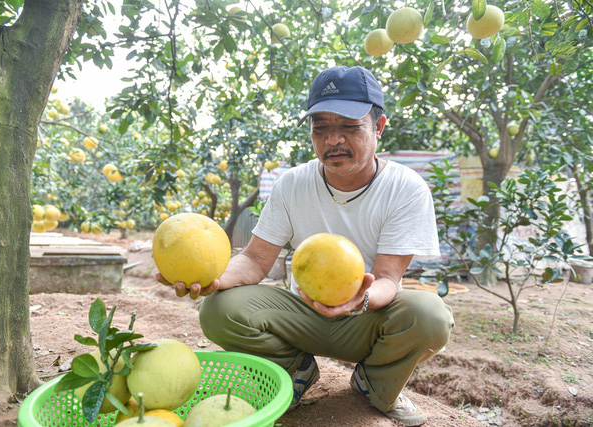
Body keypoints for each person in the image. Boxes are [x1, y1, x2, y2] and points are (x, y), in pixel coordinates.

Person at [156, 65, 454, 427]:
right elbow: (254, 260)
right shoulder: (291, 184)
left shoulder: (406, 189)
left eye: (348, 127)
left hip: (367, 317)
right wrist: (211, 278)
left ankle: (373, 386)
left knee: (430, 316)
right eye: (321, 128)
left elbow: (389, 278)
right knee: (219, 308)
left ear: (378, 127)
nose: (333, 140)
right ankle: (295, 372)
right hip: (303, 313)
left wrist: (357, 300)